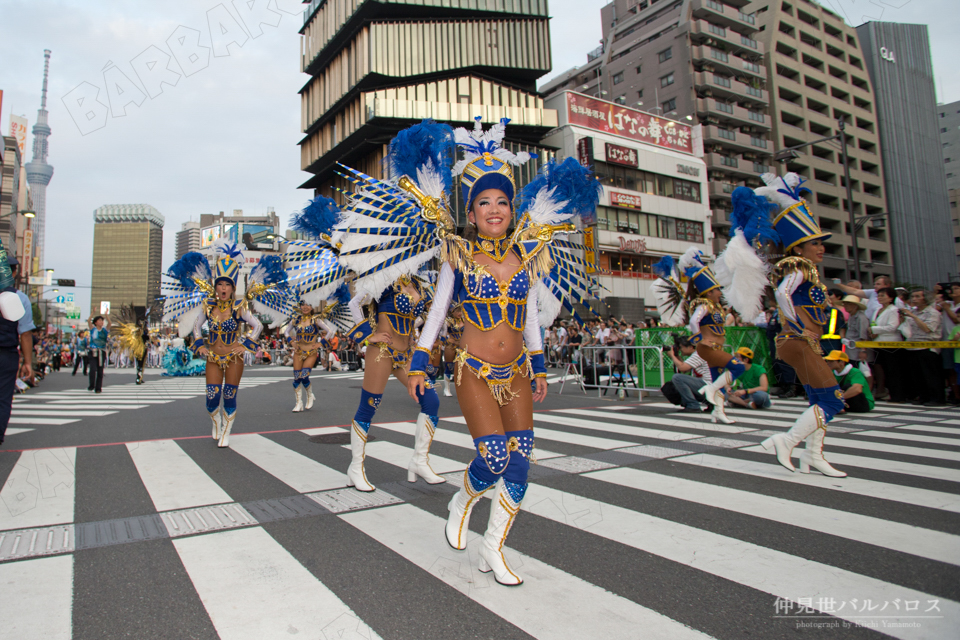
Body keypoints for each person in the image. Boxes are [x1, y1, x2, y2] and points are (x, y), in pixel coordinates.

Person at [393, 119, 601, 586]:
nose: (494, 208)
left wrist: (541, 364)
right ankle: (462, 500)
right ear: (471, 211)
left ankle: (494, 547)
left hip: (519, 373)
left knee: (522, 462)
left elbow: (528, 316)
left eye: (502, 201)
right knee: (493, 460)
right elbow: (437, 311)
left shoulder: (528, 253)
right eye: (483, 201)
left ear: (513, 208)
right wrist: (419, 363)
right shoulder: (458, 252)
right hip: (474, 371)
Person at [731, 174, 847, 477]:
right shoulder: (799, 267)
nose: (820, 248)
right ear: (798, 249)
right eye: (814, 243)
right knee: (833, 401)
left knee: (818, 399)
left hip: (802, 341)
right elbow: (782, 294)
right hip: (799, 341)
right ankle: (788, 440)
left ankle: (813, 455)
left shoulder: (808, 270)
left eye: (821, 243)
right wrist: (797, 325)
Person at [162, 242, 284, 447]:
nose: (223, 288)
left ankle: (227, 432)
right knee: (211, 398)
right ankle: (216, 421)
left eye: (227, 285)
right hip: (213, 357)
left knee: (229, 394)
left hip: (234, 358)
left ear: (233, 287)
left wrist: (244, 345)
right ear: (215, 286)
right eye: (220, 284)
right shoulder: (207, 306)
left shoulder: (239, 307)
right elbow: (196, 326)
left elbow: (257, 327)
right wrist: (200, 345)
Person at [680, 249, 746, 425]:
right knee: (738, 368)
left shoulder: (717, 307)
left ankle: (718, 412)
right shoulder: (705, 306)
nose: (720, 292)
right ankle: (710, 389)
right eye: (717, 289)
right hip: (708, 348)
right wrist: (699, 339)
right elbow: (694, 321)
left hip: (715, 348)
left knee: (719, 379)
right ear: (708, 293)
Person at [0, 254, 35, 446]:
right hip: (6, 354)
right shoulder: (19, 298)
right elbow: (25, 334)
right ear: (13, 273)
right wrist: (27, 362)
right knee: (3, 397)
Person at [900, 289, 944, 405]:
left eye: (917, 296)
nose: (914, 299)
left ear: (925, 299)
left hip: (927, 347)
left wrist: (913, 316)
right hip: (912, 346)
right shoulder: (913, 311)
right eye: (913, 296)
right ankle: (923, 397)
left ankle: (936, 398)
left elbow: (927, 328)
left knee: (930, 375)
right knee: (917, 375)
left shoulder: (932, 313)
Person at [869, 286, 904, 402]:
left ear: (891, 298)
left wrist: (875, 330)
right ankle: (887, 392)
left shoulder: (893, 310)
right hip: (878, 343)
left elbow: (892, 327)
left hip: (891, 344)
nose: (880, 298)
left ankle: (898, 395)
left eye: (883, 295)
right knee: (882, 369)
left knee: (893, 370)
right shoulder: (877, 310)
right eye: (878, 295)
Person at [665, 337, 711, 412]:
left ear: (690, 347)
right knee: (682, 381)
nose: (680, 350)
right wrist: (676, 356)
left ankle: (693, 405)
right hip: (713, 388)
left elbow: (683, 368)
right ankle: (711, 404)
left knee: (677, 378)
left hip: (709, 387)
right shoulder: (701, 352)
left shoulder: (698, 354)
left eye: (681, 347)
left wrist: (672, 356)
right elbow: (685, 370)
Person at [840, 295, 869, 368]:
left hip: (857, 351)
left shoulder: (861, 317)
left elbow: (864, 335)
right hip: (850, 350)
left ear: (856, 306)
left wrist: (863, 351)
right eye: (845, 304)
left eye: (848, 304)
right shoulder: (851, 315)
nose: (845, 306)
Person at [87, 315, 111, 393]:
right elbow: (88, 321)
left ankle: (98, 388)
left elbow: (109, 323)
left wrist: (107, 315)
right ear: (96, 322)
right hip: (93, 351)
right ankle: (92, 385)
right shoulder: (93, 329)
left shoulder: (104, 330)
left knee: (100, 370)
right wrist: (93, 313)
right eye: (100, 320)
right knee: (93, 369)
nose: (101, 322)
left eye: (102, 321)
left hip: (101, 351)